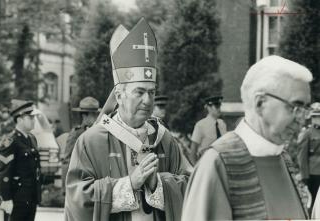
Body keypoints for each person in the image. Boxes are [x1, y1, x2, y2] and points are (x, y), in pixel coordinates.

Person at [64, 18, 188, 221]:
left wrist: (157, 184)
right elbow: (77, 199)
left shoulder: (164, 140)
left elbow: (192, 186)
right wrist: (130, 184)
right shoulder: (92, 141)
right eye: (139, 92)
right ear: (119, 95)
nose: (147, 100)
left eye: (152, 92)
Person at [182, 55, 312, 220]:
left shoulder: (283, 158)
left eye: (306, 109)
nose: (302, 118)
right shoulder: (219, 163)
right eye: (295, 107)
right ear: (260, 104)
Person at [0, 99, 41, 221]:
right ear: (20, 119)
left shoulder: (32, 139)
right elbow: (4, 172)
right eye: (30, 118)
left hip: (30, 197)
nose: (34, 121)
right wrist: (6, 199)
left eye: (34, 117)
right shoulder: (11, 141)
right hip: (17, 199)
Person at [61, 96, 100, 188]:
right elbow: (67, 161)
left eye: (97, 114)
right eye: (93, 115)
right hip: (80, 182)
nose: (96, 117)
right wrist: (66, 188)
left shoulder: (99, 132)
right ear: (84, 116)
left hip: (97, 183)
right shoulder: (76, 134)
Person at [190, 95, 227, 164]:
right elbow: (193, 150)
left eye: (220, 106)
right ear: (208, 108)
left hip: (221, 163)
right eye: (216, 106)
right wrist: (195, 169)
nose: (219, 109)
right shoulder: (200, 125)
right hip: (206, 163)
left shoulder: (222, 124)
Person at [298, 102, 320, 206]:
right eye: (315, 117)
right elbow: (302, 157)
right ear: (311, 118)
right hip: (314, 173)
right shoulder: (307, 133)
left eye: (319, 116)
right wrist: (305, 177)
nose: (317, 119)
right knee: (315, 202)